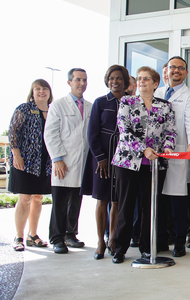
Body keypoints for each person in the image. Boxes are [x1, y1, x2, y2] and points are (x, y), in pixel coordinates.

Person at [111, 66, 176, 264]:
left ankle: (147, 249)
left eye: (146, 79)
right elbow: (125, 130)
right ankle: (119, 249)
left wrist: (168, 148)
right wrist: (143, 149)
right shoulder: (127, 101)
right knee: (126, 207)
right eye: (139, 79)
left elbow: (171, 132)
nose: (141, 82)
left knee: (151, 208)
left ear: (156, 84)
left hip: (155, 165)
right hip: (128, 162)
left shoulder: (165, 106)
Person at [81, 65, 130, 260]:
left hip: (123, 158)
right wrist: (100, 158)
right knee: (102, 200)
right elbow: (92, 133)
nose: (114, 82)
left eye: (118, 78)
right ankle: (100, 241)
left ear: (125, 81)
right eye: (111, 78)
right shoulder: (101, 102)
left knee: (117, 200)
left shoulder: (131, 102)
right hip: (102, 158)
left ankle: (113, 240)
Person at [155, 56, 190, 257]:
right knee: (158, 201)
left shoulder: (189, 96)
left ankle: (179, 244)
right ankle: (159, 242)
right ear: (166, 70)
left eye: (180, 68)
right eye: (172, 67)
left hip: (177, 152)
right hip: (155, 154)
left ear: (186, 72)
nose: (176, 71)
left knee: (177, 202)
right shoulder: (156, 92)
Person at [44, 68, 92, 254]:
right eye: (78, 80)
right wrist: (57, 159)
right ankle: (57, 238)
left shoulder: (89, 106)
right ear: (69, 82)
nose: (82, 83)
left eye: (84, 80)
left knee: (75, 201)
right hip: (63, 161)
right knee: (60, 203)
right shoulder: (58, 105)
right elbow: (50, 133)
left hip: (81, 162)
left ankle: (70, 234)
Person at [8, 79, 53, 251]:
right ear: (32, 92)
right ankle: (18, 237)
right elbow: (13, 131)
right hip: (25, 162)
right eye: (38, 89)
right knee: (25, 198)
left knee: (38, 198)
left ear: (49, 92)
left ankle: (32, 235)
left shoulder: (53, 110)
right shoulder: (24, 109)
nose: (42, 92)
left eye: (45, 89)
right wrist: (16, 154)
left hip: (45, 162)